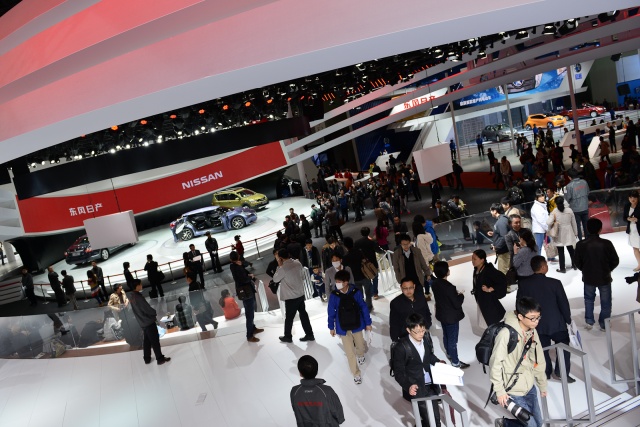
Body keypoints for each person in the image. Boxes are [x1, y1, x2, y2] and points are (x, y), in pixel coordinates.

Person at [491, 297, 547, 427]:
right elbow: (495, 364)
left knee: (538, 423)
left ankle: (504, 423)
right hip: (513, 390)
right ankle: (505, 423)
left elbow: (538, 359)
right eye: (532, 318)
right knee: (532, 425)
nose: (536, 321)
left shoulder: (532, 331)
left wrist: (542, 384)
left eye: (538, 317)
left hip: (529, 387)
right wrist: (500, 391)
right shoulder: (505, 334)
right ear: (521, 317)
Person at [517, 256, 574, 382]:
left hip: (536, 324)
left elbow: (520, 305)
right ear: (543, 267)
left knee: (541, 350)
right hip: (557, 323)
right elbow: (563, 304)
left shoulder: (524, 284)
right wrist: (568, 320)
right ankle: (562, 373)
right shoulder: (555, 283)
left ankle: (546, 372)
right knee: (563, 348)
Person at [392, 313, 444, 427]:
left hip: (430, 385)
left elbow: (429, 356)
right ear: (408, 330)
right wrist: (408, 386)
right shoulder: (401, 347)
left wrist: (438, 362)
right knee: (428, 419)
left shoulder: (426, 339)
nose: (421, 334)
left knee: (436, 418)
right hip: (416, 387)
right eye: (417, 331)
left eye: (423, 330)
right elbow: (399, 372)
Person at [327, 270, 372, 385]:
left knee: (360, 345)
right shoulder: (334, 295)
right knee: (349, 352)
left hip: (357, 324)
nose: (337, 284)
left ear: (346, 282)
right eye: (336, 281)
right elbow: (331, 311)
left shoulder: (356, 292)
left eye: (339, 282)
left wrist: (368, 323)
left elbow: (363, 307)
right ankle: (356, 374)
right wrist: (331, 327)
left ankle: (361, 355)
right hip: (342, 327)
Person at [575, 218, 619, 331]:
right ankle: (604, 324)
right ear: (600, 229)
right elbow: (615, 260)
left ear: (587, 228)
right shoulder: (606, 243)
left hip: (588, 277)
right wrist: (608, 269)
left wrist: (584, 269)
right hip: (604, 277)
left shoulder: (580, 244)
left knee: (589, 300)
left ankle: (589, 321)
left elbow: (577, 262)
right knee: (606, 302)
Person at [431, 261, 469, 369]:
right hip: (451, 317)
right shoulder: (449, 287)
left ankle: (448, 353)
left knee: (446, 335)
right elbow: (457, 303)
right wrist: (461, 295)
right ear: (446, 271)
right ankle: (455, 362)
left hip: (442, 314)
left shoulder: (434, 283)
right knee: (453, 340)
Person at [273, 249, 315, 343]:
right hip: (300, 294)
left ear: (280, 258)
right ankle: (310, 334)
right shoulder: (297, 263)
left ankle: (288, 336)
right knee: (303, 314)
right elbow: (302, 276)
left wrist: (279, 266)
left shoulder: (283, 268)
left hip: (291, 297)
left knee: (289, 317)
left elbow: (275, 279)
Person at [290, 355, 345, 427]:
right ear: (316, 371)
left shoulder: (294, 392)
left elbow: (296, 410)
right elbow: (339, 415)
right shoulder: (327, 391)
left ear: (300, 373)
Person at [128, 279, 171, 365]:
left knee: (147, 341)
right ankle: (160, 359)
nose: (141, 285)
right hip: (148, 321)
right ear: (137, 286)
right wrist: (154, 312)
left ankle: (147, 358)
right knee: (155, 341)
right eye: (140, 284)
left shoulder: (132, 296)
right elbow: (146, 308)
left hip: (142, 322)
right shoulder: (138, 297)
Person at [230, 251, 263, 342]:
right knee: (249, 314)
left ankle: (253, 328)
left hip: (246, 291)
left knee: (250, 312)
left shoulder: (233, 266)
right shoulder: (237, 267)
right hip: (246, 292)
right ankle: (249, 335)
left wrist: (240, 264)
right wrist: (250, 277)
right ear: (238, 256)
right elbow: (244, 279)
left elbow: (245, 265)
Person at [389, 276, 433, 342]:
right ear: (401, 288)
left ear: (414, 286)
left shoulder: (421, 298)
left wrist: (427, 325)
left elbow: (427, 313)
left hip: (422, 333)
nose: (408, 290)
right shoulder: (395, 303)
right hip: (405, 336)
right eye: (405, 288)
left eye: (410, 287)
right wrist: (394, 340)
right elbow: (394, 323)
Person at [471, 249, 507, 327]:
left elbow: (502, 280)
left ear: (482, 260)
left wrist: (490, 289)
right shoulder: (476, 270)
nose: (472, 261)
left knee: (490, 323)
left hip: (489, 303)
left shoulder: (489, 271)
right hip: (482, 301)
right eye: (472, 258)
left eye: (475, 259)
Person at [392, 234, 432, 298]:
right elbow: (396, 268)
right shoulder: (397, 254)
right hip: (405, 280)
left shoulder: (416, 251)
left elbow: (422, 263)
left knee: (420, 297)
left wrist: (427, 273)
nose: (406, 246)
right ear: (400, 244)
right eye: (404, 244)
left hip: (417, 278)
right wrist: (400, 280)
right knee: (409, 298)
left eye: (408, 244)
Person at [546, 196, 577, 273]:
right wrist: (575, 232)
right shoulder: (569, 210)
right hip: (569, 231)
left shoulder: (554, 212)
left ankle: (562, 268)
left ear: (555, 203)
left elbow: (548, 222)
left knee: (560, 251)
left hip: (559, 233)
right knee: (571, 249)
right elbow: (574, 223)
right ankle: (575, 265)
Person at [342, 237, 373, 312]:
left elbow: (345, 268)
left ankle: (362, 308)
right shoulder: (360, 252)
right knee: (368, 292)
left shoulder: (345, 257)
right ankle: (369, 306)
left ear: (345, 246)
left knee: (359, 295)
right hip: (365, 275)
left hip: (354, 278)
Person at [564, 169, 590, 240]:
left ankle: (580, 241)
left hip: (575, 209)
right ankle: (588, 240)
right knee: (586, 225)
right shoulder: (584, 182)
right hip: (585, 207)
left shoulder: (568, 186)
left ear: (569, 177)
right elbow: (588, 192)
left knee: (577, 227)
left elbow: (567, 198)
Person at [487, 203, 510, 275]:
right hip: (506, 250)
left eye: (491, 211)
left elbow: (504, 236)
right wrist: (494, 233)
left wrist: (497, 247)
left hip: (504, 252)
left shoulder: (501, 222)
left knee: (503, 273)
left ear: (495, 211)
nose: (491, 212)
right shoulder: (504, 219)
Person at [623, 190, 640, 272]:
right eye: (631, 197)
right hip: (632, 230)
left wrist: (637, 220)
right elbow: (624, 217)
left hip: (639, 229)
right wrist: (628, 219)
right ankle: (639, 264)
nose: (632, 199)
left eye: (634, 197)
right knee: (635, 248)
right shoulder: (627, 206)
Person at [530, 190, 548, 256]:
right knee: (539, 246)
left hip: (544, 228)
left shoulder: (542, 205)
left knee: (548, 244)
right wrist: (547, 228)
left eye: (543, 196)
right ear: (536, 198)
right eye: (540, 197)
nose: (542, 198)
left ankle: (550, 257)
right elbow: (541, 220)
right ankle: (538, 259)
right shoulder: (536, 207)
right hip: (539, 230)